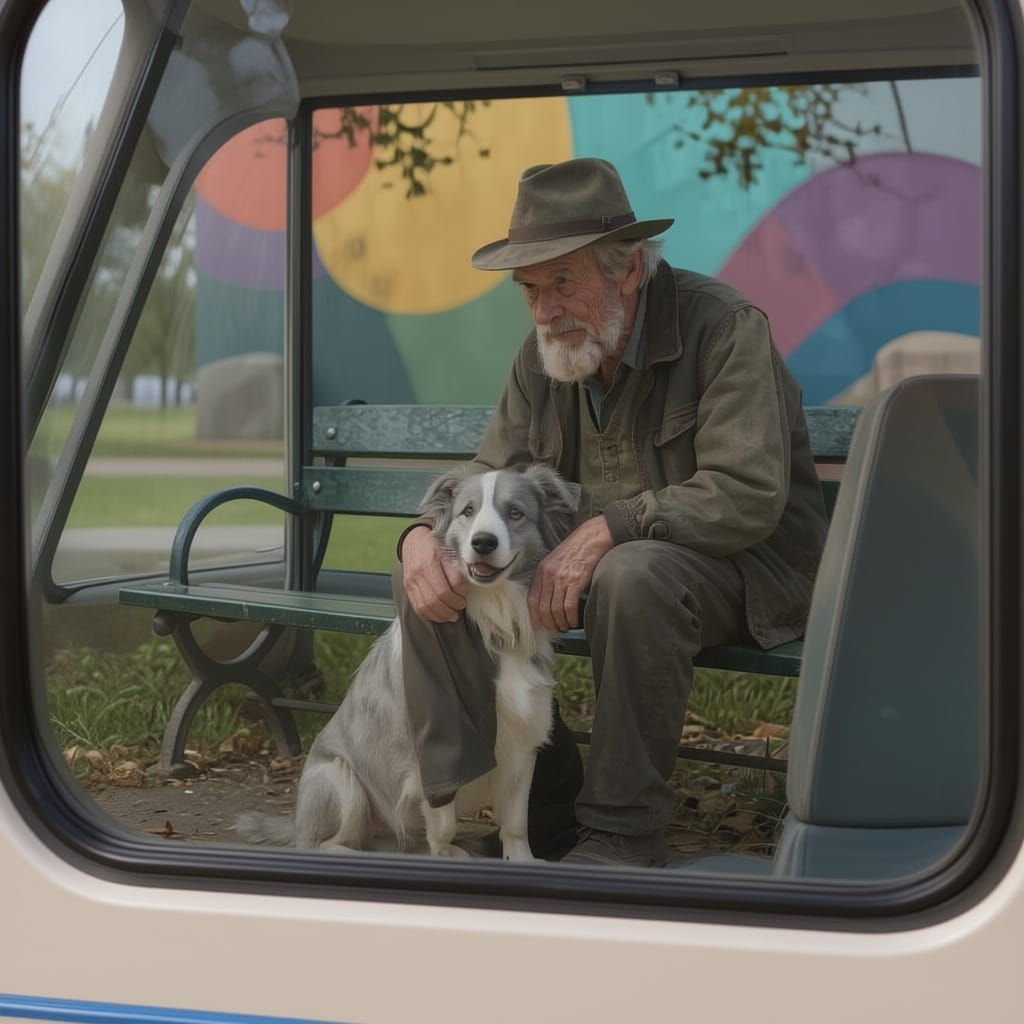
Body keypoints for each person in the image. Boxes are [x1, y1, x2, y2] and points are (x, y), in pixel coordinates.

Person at [394, 157, 829, 867]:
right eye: (529, 289)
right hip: (611, 564)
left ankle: (619, 838)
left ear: (627, 269)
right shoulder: (542, 358)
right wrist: (417, 539)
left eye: (562, 281)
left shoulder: (724, 327)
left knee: (632, 574)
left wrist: (611, 527)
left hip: (750, 567)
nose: (543, 310)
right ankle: (518, 810)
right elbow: (486, 479)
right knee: (433, 569)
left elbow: (748, 494)